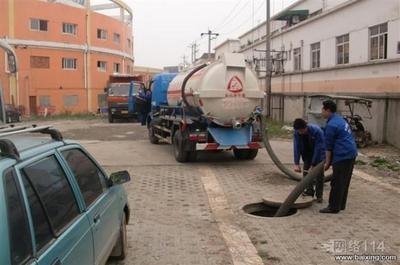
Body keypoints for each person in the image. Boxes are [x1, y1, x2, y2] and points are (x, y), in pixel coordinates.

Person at [320, 100, 357, 214]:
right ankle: (340, 204)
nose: (321, 112)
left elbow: (328, 147)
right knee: (344, 181)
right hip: (351, 153)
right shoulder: (340, 120)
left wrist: (327, 163)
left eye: (323, 109)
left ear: (328, 110)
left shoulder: (331, 125)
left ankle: (333, 207)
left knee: (336, 182)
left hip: (343, 155)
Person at [292, 118, 325, 202]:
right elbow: (297, 147)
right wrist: (296, 163)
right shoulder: (297, 133)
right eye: (298, 131)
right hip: (307, 154)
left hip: (319, 154)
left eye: (301, 130)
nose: (300, 132)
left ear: (305, 127)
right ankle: (309, 191)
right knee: (306, 173)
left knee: (319, 175)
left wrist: (313, 165)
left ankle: (319, 196)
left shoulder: (317, 131)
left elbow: (319, 148)